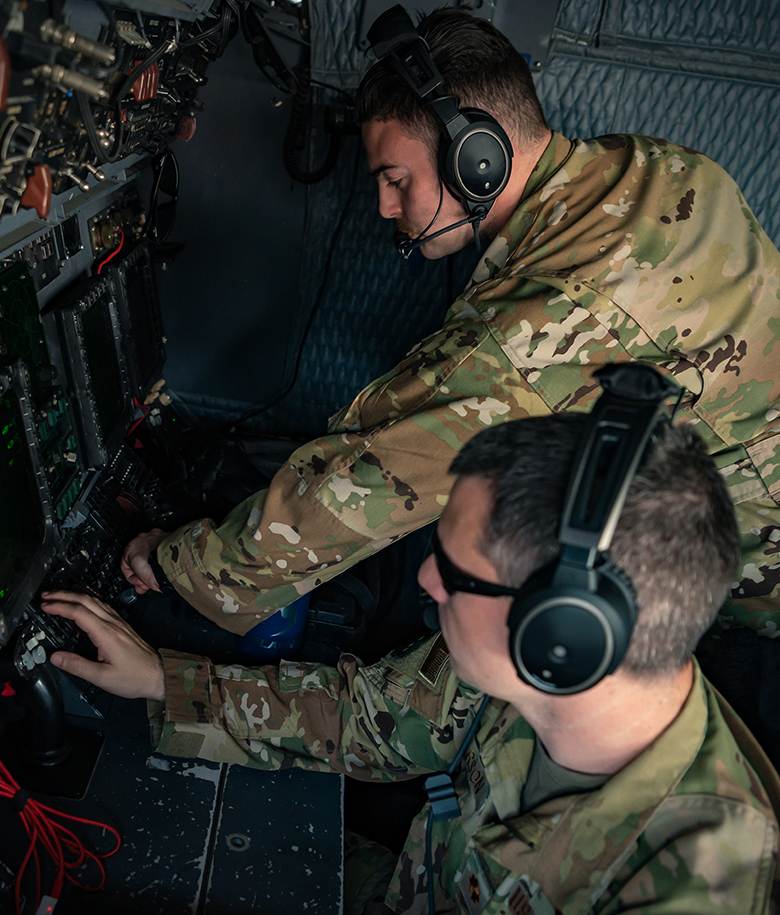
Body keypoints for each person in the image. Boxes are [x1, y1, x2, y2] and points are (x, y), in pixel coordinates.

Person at [121, 6, 780, 642]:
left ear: (477, 157)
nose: (384, 206)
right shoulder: (657, 166)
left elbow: (359, 487)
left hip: (747, 613)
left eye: (395, 178)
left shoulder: (541, 326)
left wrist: (180, 567)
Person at [40, 394, 780, 914]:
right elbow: (379, 717)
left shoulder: (699, 880)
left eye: (455, 572)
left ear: (562, 634)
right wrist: (162, 682)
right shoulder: (540, 675)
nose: (427, 580)